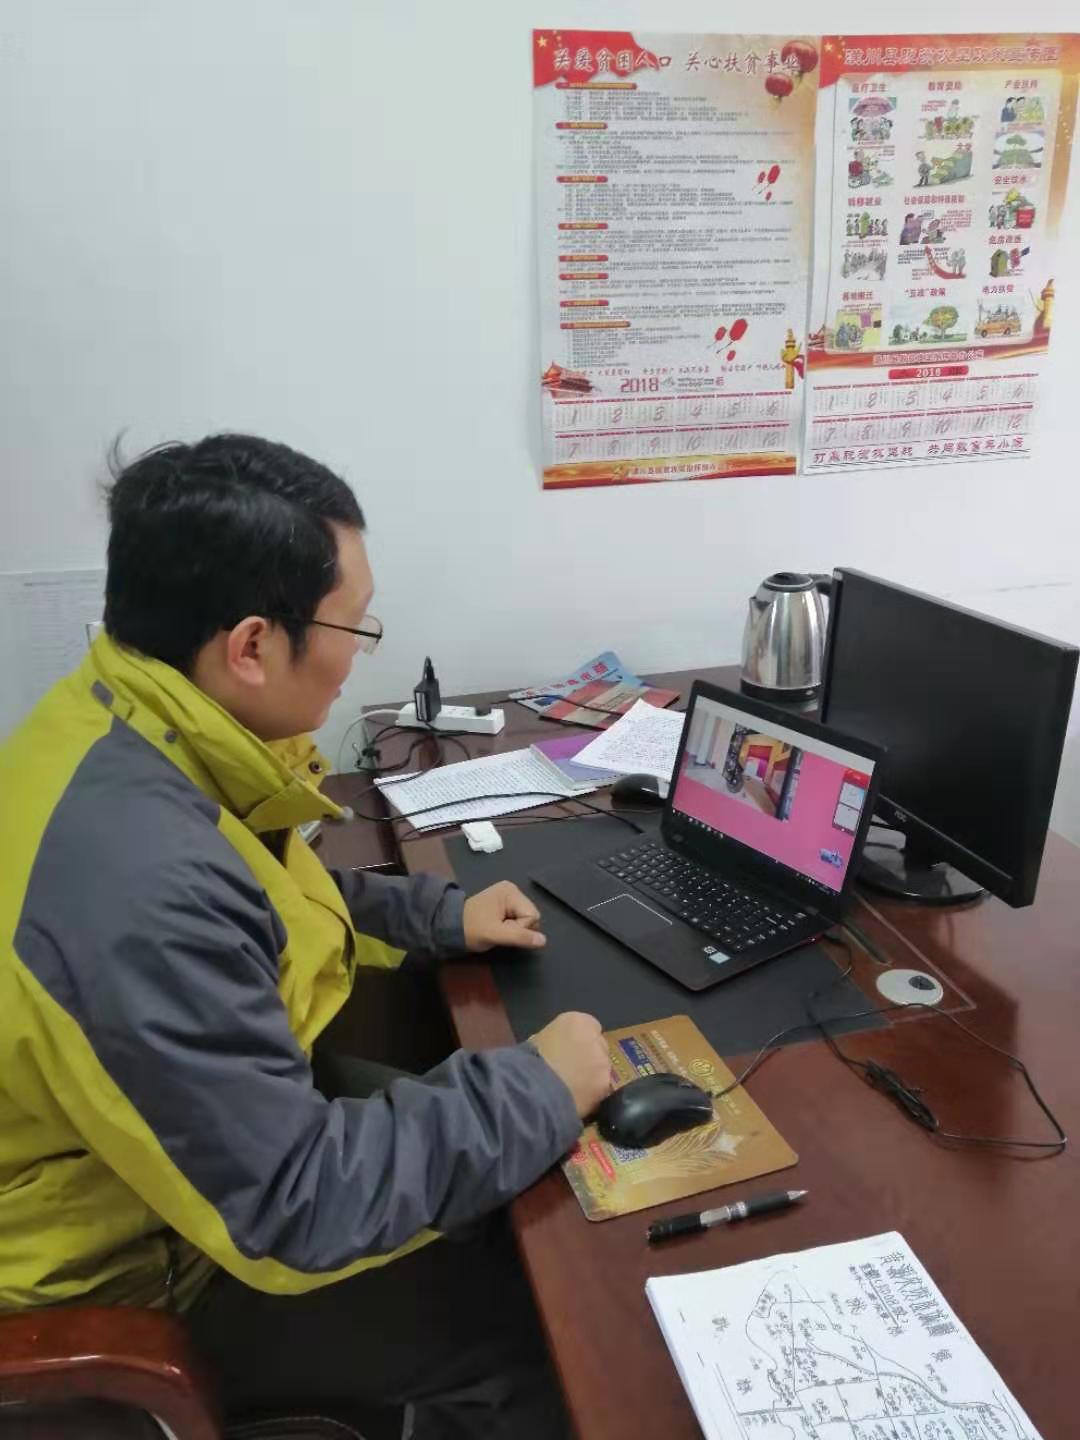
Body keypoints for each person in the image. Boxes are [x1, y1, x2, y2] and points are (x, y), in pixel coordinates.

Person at [0, 433, 615, 1438]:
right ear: (250, 646)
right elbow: (293, 1204)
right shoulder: (138, 883)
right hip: (138, 1272)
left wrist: (434, 915)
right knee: (556, 1314)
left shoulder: (126, 720)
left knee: (515, 1172)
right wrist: (540, 1087)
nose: (357, 650)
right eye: (352, 626)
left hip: (184, 1156)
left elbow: (258, 892)